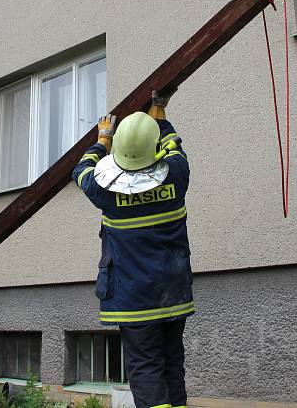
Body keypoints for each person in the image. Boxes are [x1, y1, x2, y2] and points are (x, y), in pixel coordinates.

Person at [73, 89, 194, 408]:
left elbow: (82, 170)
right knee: (172, 365)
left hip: (134, 299)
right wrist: (160, 110)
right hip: (173, 293)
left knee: (146, 368)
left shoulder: (106, 192)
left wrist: (102, 139)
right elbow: (172, 145)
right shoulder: (177, 177)